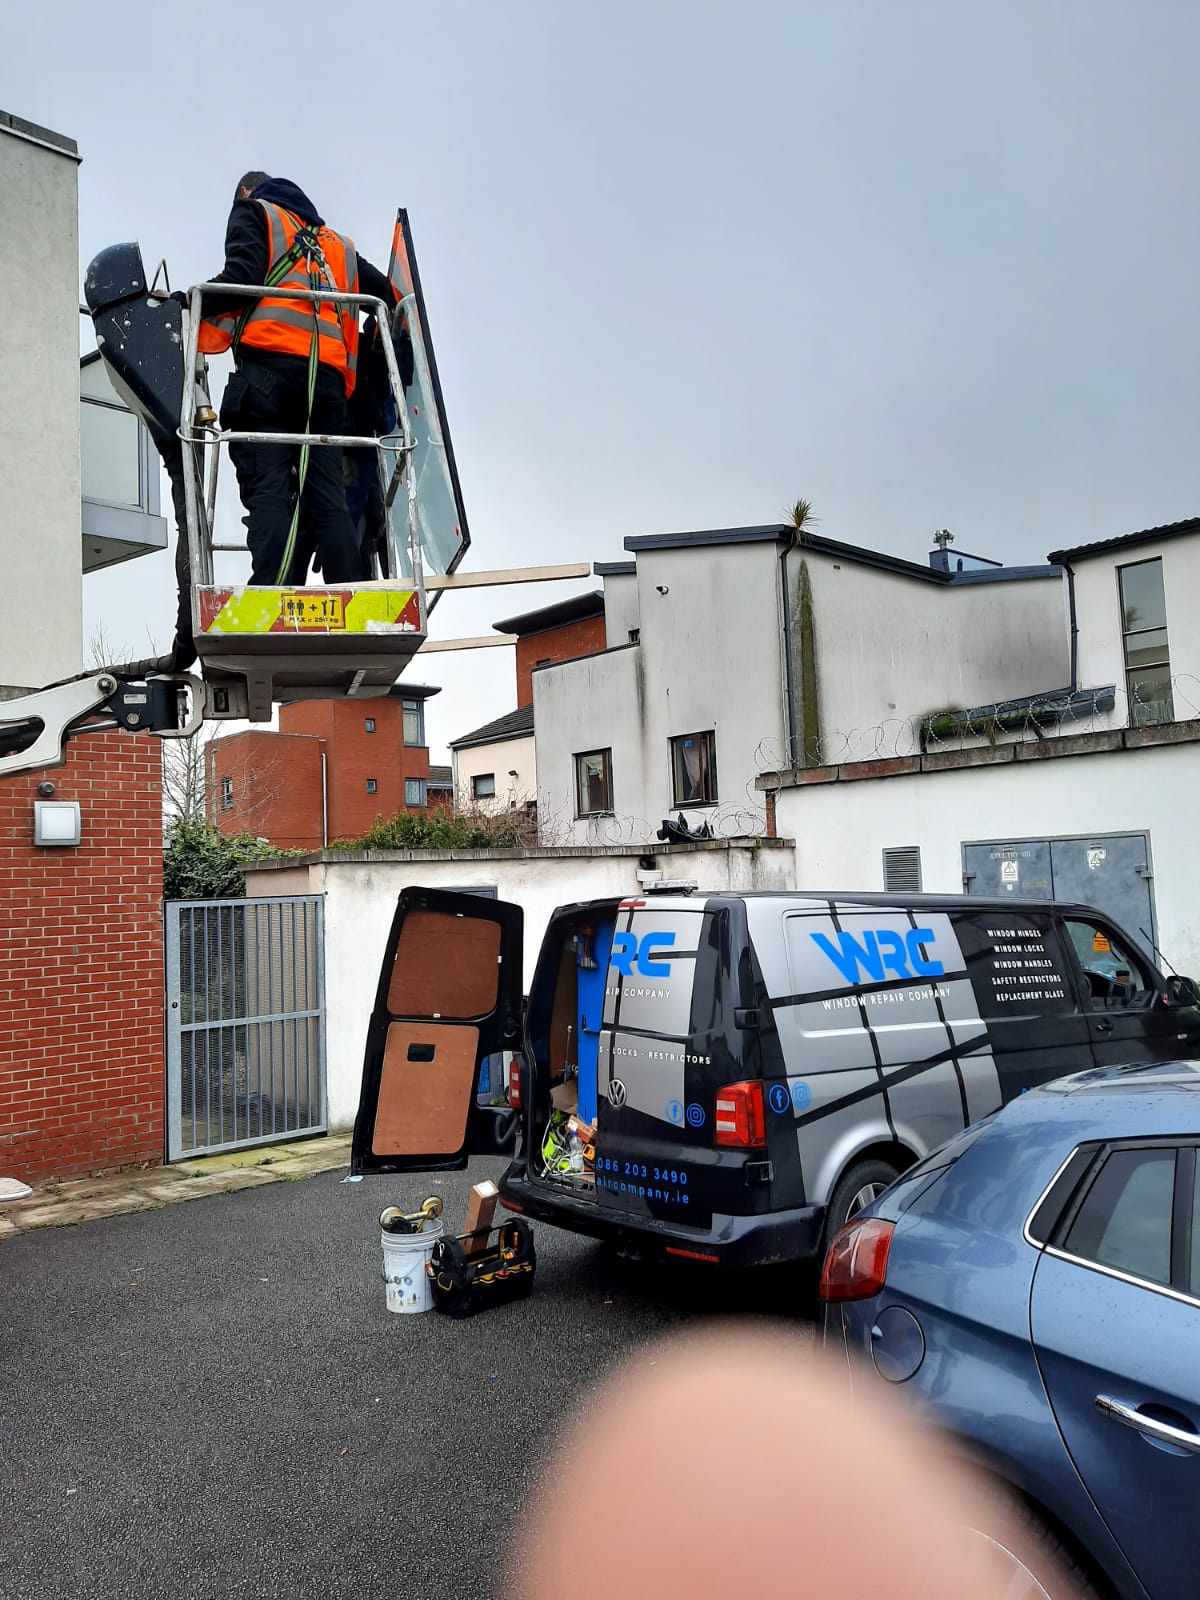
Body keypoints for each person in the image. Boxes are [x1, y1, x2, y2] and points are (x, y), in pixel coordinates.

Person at [192, 172, 398, 588]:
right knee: (326, 498)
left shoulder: (255, 212)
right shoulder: (337, 246)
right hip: (326, 388)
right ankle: (349, 590)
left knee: (267, 486)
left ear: (246, 193)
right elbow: (388, 294)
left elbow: (243, 276)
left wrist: (188, 303)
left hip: (269, 377)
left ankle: (269, 589)